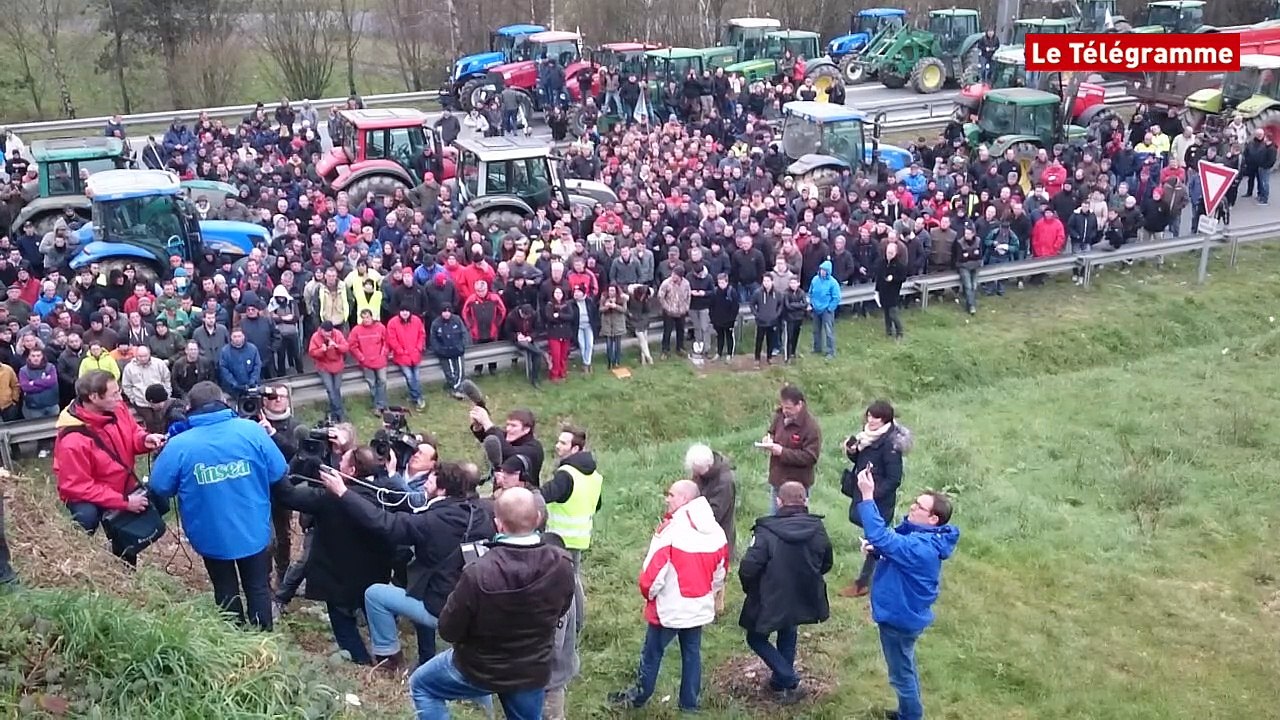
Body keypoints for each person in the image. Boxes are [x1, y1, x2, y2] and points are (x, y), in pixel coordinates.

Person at [407, 487, 576, 720]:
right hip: (531, 670)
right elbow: (562, 610)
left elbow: (448, 630)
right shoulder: (562, 564)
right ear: (538, 518)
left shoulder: (477, 572)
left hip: (478, 669)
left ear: (498, 524)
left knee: (422, 685)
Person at [326, 462, 495, 669]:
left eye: (430, 481)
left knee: (375, 594)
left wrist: (344, 493)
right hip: (473, 606)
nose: (424, 485)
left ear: (442, 489)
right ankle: (430, 661)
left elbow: (385, 523)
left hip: (442, 609)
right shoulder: (480, 514)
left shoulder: (434, 520)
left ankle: (388, 661)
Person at [148, 381, 288, 630]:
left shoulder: (179, 444)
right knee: (258, 587)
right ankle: (263, 640)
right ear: (224, 401)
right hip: (253, 528)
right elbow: (278, 471)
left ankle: (233, 640)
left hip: (211, 534)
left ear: (190, 407)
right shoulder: (252, 431)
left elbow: (160, 487)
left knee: (224, 588)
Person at [610, 480, 728, 713]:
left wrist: (649, 595)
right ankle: (689, 705)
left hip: (669, 608)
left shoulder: (671, 531)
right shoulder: (716, 531)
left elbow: (651, 577)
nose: (667, 499)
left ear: (684, 499)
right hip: (699, 605)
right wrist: (710, 594)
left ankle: (638, 697)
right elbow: (720, 573)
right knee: (692, 654)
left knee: (652, 653)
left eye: (671, 495)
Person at [271, 446, 396, 664]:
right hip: (374, 575)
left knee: (344, 624)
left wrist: (285, 466)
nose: (339, 465)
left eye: (343, 463)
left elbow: (288, 496)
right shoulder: (384, 496)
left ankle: (360, 661)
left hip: (337, 576)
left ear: (353, 470)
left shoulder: (329, 499)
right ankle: (389, 658)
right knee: (374, 615)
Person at [855, 468, 959, 720]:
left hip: (899, 620)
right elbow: (891, 549)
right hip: (906, 616)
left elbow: (881, 536)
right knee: (905, 667)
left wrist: (867, 496)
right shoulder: (921, 538)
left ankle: (910, 716)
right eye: (914, 502)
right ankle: (907, 712)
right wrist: (879, 551)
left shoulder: (920, 546)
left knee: (901, 675)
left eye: (919, 507)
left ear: (933, 519)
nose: (912, 508)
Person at [52, 370, 167, 565]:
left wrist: (144, 439)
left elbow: (133, 432)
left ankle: (126, 567)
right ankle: (81, 563)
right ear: (94, 397)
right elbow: (76, 486)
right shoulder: (72, 439)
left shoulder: (117, 408)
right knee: (85, 518)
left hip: (121, 482)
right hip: (89, 492)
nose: (120, 397)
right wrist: (123, 502)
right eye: (114, 393)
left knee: (150, 506)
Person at [738, 481, 832, 705]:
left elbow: (748, 567)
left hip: (771, 595)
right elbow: (826, 563)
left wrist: (751, 589)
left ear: (778, 501)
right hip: (802, 592)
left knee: (755, 637)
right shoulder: (817, 529)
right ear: (805, 501)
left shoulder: (765, 532)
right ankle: (781, 683)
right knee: (788, 631)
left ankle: (788, 678)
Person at [840, 400, 911, 598]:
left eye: (876, 417)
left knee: (876, 539)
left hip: (877, 499)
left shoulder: (890, 446)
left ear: (886, 420)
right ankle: (884, 566)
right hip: (864, 492)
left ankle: (862, 583)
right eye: (869, 415)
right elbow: (863, 461)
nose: (871, 420)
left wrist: (870, 494)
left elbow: (894, 479)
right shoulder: (867, 437)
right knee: (873, 536)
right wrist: (852, 451)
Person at [758, 384, 822, 510]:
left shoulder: (811, 427)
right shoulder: (779, 417)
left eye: (789, 408)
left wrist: (782, 452)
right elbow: (771, 431)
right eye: (783, 407)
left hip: (798, 485)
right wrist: (768, 439)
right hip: (778, 480)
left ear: (800, 405)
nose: (785, 411)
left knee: (796, 523)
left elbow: (810, 457)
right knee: (775, 521)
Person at [542, 531, 583, 720]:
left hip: (551, 676)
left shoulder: (555, 593)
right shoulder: (572, 580)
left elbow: (553, 645)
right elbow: (580, 620)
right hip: (560, 666)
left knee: (552, 714)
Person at [468, 405, 545, 483]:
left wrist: (487, 422)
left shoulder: (534, 448)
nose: (508, 429)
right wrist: (478, 426)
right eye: (507, 425)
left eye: (513, 426)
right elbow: (491, 439)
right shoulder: (511, 438)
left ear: (526, 429)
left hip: (525, 493)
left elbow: (508, 452)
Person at [307, 321, 349, 422]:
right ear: (321, 330)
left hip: (337, 365)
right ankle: (339, 413)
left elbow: (346, 347)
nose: (328, 335)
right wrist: (322, 350)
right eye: (326, 332)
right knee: (330, 390)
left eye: (330, 332)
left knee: (337, 389)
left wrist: (336, 346)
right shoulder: (315, 337)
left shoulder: (337, 334)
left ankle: (334, 413)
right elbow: (312, 353)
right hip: (324, 367)